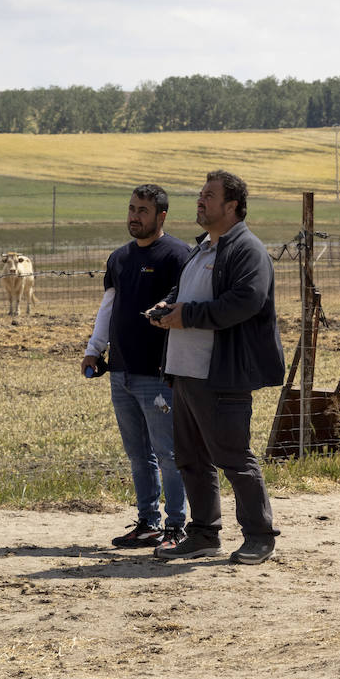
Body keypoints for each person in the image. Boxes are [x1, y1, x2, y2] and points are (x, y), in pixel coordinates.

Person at [149, 170, 284, 565]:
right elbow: (184, 293)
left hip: (223, 374)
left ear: (232, 206)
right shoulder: (203, 248)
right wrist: (166, 307)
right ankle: (204, 534)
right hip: (187, 372)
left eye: (209, 195)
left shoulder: (247, 249)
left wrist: (186, 315)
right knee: (190, 458)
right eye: (200, 194)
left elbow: (246, 301)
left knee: (233, 458)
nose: (200, 200)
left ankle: (260, 536)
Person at [82, 185, 191, 548]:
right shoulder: (119, 259)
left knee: (169, 453)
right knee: (138, 455)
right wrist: (94, 349)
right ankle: (148, 523)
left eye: (142, 210)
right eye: (131, 208)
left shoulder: (179, 256)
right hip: (121, 372)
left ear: (161, 216)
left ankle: (178, 527)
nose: (134, 216)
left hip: (159, 375)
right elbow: (108, 307)